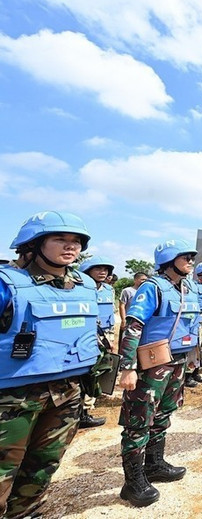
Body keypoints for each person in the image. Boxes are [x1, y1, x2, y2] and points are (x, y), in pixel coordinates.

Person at [0, 211, 101, 519]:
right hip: (13, 399)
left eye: (76, 241)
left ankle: (26, 513)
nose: (70, 246)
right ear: (34, 244)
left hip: (67, 393)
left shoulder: (85, 285)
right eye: (60, 239)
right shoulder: (7, 284)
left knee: (43, 465)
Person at [117, 240, 200, 507]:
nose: (191, 261)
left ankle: (154, 465)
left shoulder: (186, 288)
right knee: (138, 422)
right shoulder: (152, 287)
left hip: (177, 361)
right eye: (185, 256)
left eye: (192, 257)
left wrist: (194, 356)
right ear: (168, 260)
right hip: (152, 365)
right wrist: (128, 367)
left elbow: (190, 324)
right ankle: (132, 482)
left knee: (163, 415)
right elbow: (133, 327)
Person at [77, 256, 118, 429]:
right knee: (87, 371)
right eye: (98, 269)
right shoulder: (79, 289)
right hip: (88, 333)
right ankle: (82, 412)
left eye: (105, 269)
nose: (103, 272)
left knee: (102, 369)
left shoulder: (109, 289)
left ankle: (89, 405)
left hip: (106, 333)